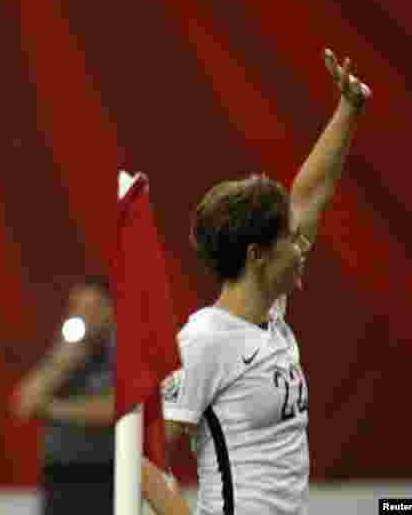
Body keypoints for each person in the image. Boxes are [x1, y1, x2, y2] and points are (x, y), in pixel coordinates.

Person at [157, 49, 369, 515]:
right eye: (290, 242)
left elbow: (309, 196)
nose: (302, 249)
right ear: (256, 255)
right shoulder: (205, 340)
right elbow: (142, 454)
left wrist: (349, 109)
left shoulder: (268, 317)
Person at [13, 277, 116, 515]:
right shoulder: (65, 353)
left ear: (109, 311)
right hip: (59, 475)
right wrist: (62, 363)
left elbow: (115, 409)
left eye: (91, 309)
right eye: (76, 308)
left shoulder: (120, 356)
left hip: (104, 474)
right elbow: (24, 404)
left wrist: (52, 409)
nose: (83, 316)